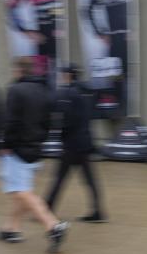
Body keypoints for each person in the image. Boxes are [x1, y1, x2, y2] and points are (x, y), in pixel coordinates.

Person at [0, 56, 69, 252]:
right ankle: (11, 228)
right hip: (36, 147)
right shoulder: (44, 91)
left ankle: (53, 225)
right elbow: (49, 122)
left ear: (19, 71)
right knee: (21, 191)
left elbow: (11, 122)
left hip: (18, 149)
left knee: (21, 192)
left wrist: (6, 145)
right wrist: (40, 139)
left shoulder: (15, 90)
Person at [45, 64, 106, 223]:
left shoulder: (69, 93)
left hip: (71, 144)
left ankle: (46, 209)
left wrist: (60, 134)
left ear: (69, 76)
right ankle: (98, 212)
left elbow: (67, 120)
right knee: (90, 180)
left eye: (63, 74)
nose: (61, 77)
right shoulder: (87, 92)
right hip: (85, 141)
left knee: (59, 178)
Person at [85, 0, 128, 115]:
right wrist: (100, 32)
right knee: (116, 82)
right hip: (115, 41)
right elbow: (86, 9)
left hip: (135, 41)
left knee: (139, 82)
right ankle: (121, 119)